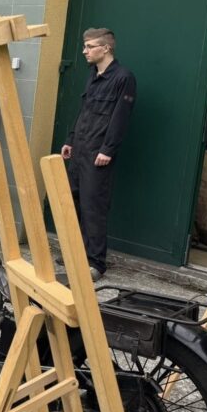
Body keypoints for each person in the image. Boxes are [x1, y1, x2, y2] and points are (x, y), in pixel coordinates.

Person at [61, 27, 136, 282]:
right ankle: (77, 254)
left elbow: (120, 118)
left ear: (106, 48)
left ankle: (96, 263)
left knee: (94, 206)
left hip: (98, 154)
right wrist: (71, 140)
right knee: (74, 200)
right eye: (85, 46)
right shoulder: (93, 75)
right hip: (80, 148)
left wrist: (108, 150)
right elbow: (84, 110)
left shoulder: (123, 78)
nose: (85, 51)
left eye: (90, 46)